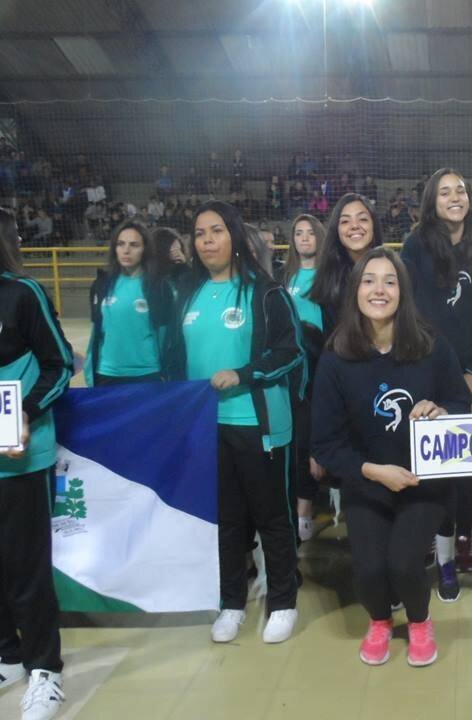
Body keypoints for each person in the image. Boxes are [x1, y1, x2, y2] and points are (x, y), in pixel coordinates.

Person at [311, 247, 471, 667]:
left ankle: (419, 621)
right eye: (368, 280)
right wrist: (372, 472)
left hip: (424, 484)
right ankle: (380, 620)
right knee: (368, 570)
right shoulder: (336, 356)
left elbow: (461, 402)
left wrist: (442, 411)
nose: (378, 289)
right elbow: (325, 443)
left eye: (389, 281)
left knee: (403, 563)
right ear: (355, 291)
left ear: (403, 291)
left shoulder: (431, 345)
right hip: (368, 481)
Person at [164, 200, 304, 645]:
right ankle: (232, 603)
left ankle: (283, 601)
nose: (207, 241)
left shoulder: (265, 293)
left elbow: (291, 352)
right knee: (227, 520)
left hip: (259, 426)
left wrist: (243, 374)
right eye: (200, 233)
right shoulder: (189, 294)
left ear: (235, 236)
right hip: (208, 428)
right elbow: (173, 359)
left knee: (272, 518)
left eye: (217, 231)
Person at [401, 169, 472, 600]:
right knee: (434, 461)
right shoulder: (415, 245)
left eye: (460, 189)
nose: (454, 197)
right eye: (444, 192)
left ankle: (463, 536)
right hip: (426, 367)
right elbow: (410, 308)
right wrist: (424, 366)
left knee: (466, 460)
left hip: (470, 372)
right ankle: (436, 534)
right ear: (432, 202)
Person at [0, 206, 74, 720]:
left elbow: (60, 363)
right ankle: (8, 655)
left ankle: (45, 669)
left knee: (26, 566)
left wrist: (25, 412)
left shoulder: (23, 294)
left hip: (21, 461)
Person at [84, 220, 173, 386]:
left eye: (134, 245)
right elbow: (96, 332)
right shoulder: (101, 285)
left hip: (147, 373)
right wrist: (90, 372)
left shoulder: (159, 286)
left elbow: (165, 336)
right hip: (107, 373)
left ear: (145, 249)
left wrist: (166, 372)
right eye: (121, 244)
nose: (126, 250)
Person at [283, 213, 327, 541]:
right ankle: (298, 503)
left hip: (319, 362)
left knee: (311, 433)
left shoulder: (327, 274)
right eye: (298, 233)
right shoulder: (288, 276)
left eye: (310, 233)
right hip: (292, 366)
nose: (304, 238)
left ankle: (307, 506)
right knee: (296, 435)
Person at [314, 193, 384, 327]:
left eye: (362, 219)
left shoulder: (395, 271)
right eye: (345, 221)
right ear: (336, 230)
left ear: (374, 225)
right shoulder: (329, 279)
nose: (355, 226)